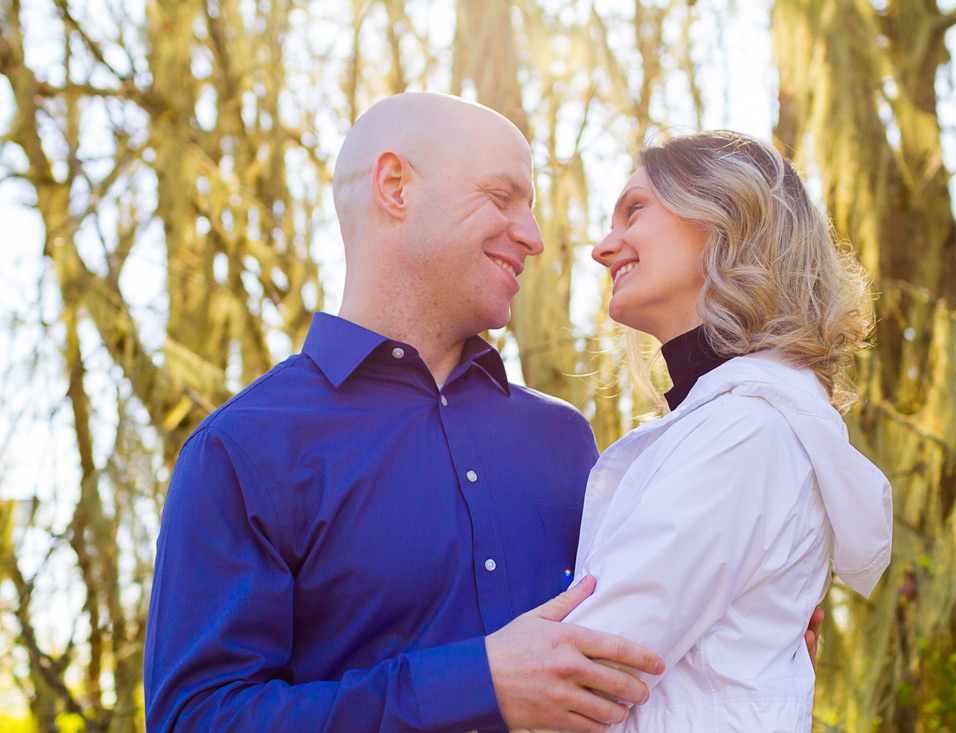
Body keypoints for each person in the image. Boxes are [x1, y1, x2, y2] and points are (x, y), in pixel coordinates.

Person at [143, 92, 667, 733]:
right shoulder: (243, 450)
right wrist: (475, 685)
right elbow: (198, 720)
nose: (533, 237)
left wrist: (751, 623)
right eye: (502, 198)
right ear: (395, 187)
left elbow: (623, 651)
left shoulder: (565, 439)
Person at [551, 131, 894, 732]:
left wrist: (448, 682)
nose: (604, 249)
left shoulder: (744, 430)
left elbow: (584, 672)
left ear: (727, 214)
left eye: (635, 209)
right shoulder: (736, 420)